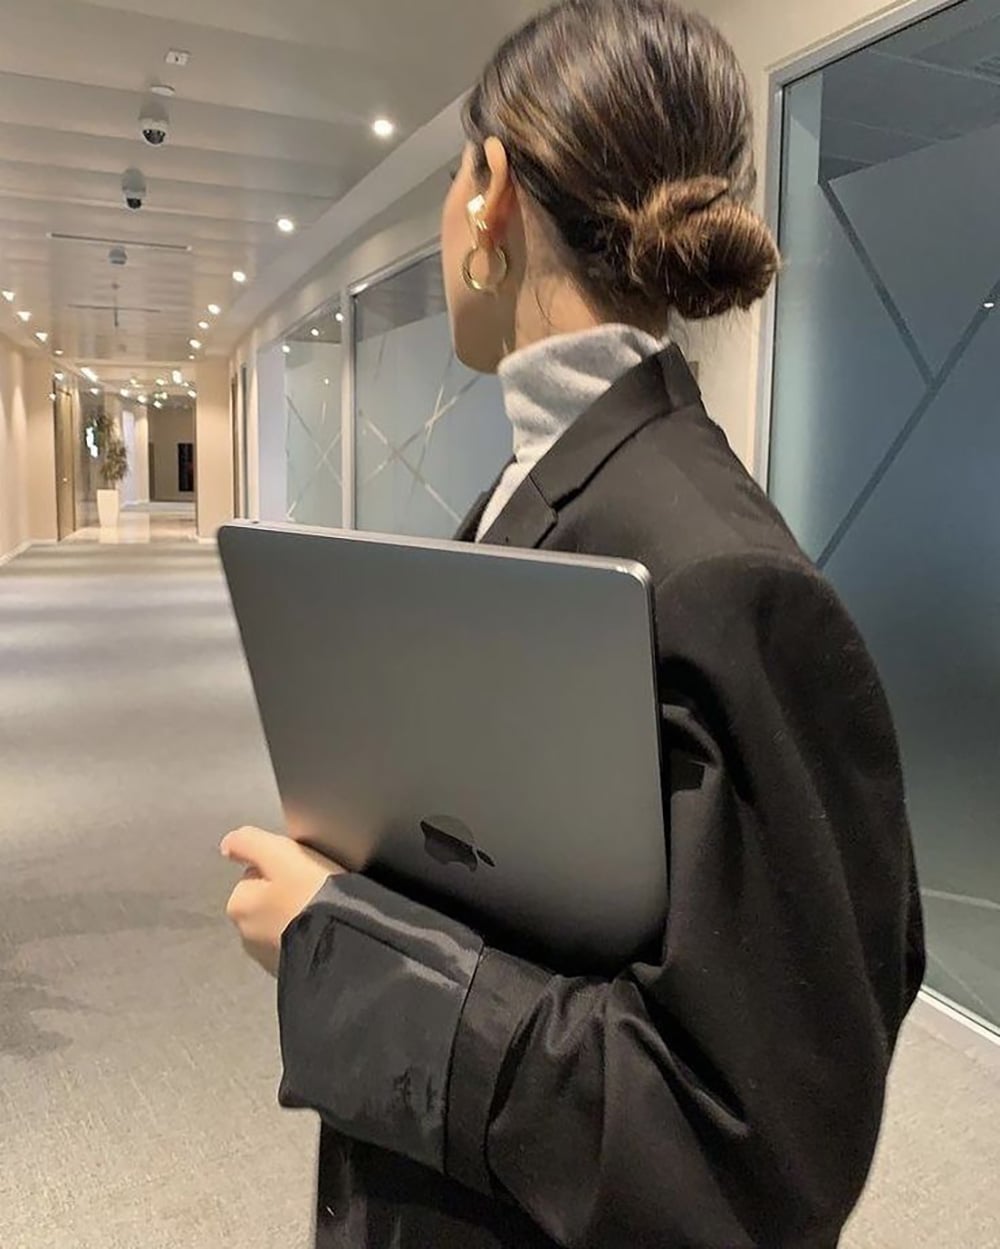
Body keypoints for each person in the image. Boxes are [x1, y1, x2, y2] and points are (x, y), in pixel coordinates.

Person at [221, 2, 925, 1246]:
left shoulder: (727, 582)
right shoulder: (537, 495)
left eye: (450, 175)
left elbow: (754, 1154)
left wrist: (346, 950)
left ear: (487, 194)